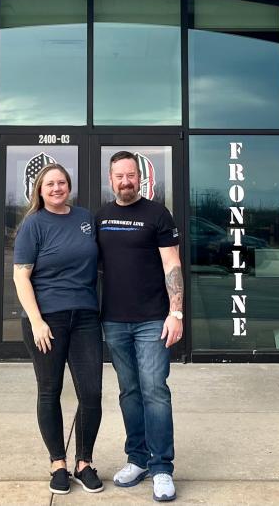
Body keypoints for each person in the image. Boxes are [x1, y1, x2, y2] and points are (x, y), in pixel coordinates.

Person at [96, 151, 183, 503]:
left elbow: (172, 265)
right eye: (119, 176)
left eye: (131, 175)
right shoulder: (101, 217)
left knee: (154, 390)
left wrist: (175, 314)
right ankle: (137, 459)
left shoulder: (157, 214)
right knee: (129, 392)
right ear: (110, 178)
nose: (125, 181)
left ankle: (161, 467)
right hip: (114, 319)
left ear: (139, 177)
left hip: (151, 320)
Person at [13, 162, 104, 495]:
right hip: (46, 320)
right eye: (49, 183)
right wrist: (37, 321)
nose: (56, 188)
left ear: (69, 186)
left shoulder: (84, 219)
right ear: (40, 189)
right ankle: (58, 464)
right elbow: (21, 276)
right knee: (50, 391)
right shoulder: (33, 225)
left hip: (84, 318)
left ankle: (84, 462)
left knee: (91, 393)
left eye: (61, 182)